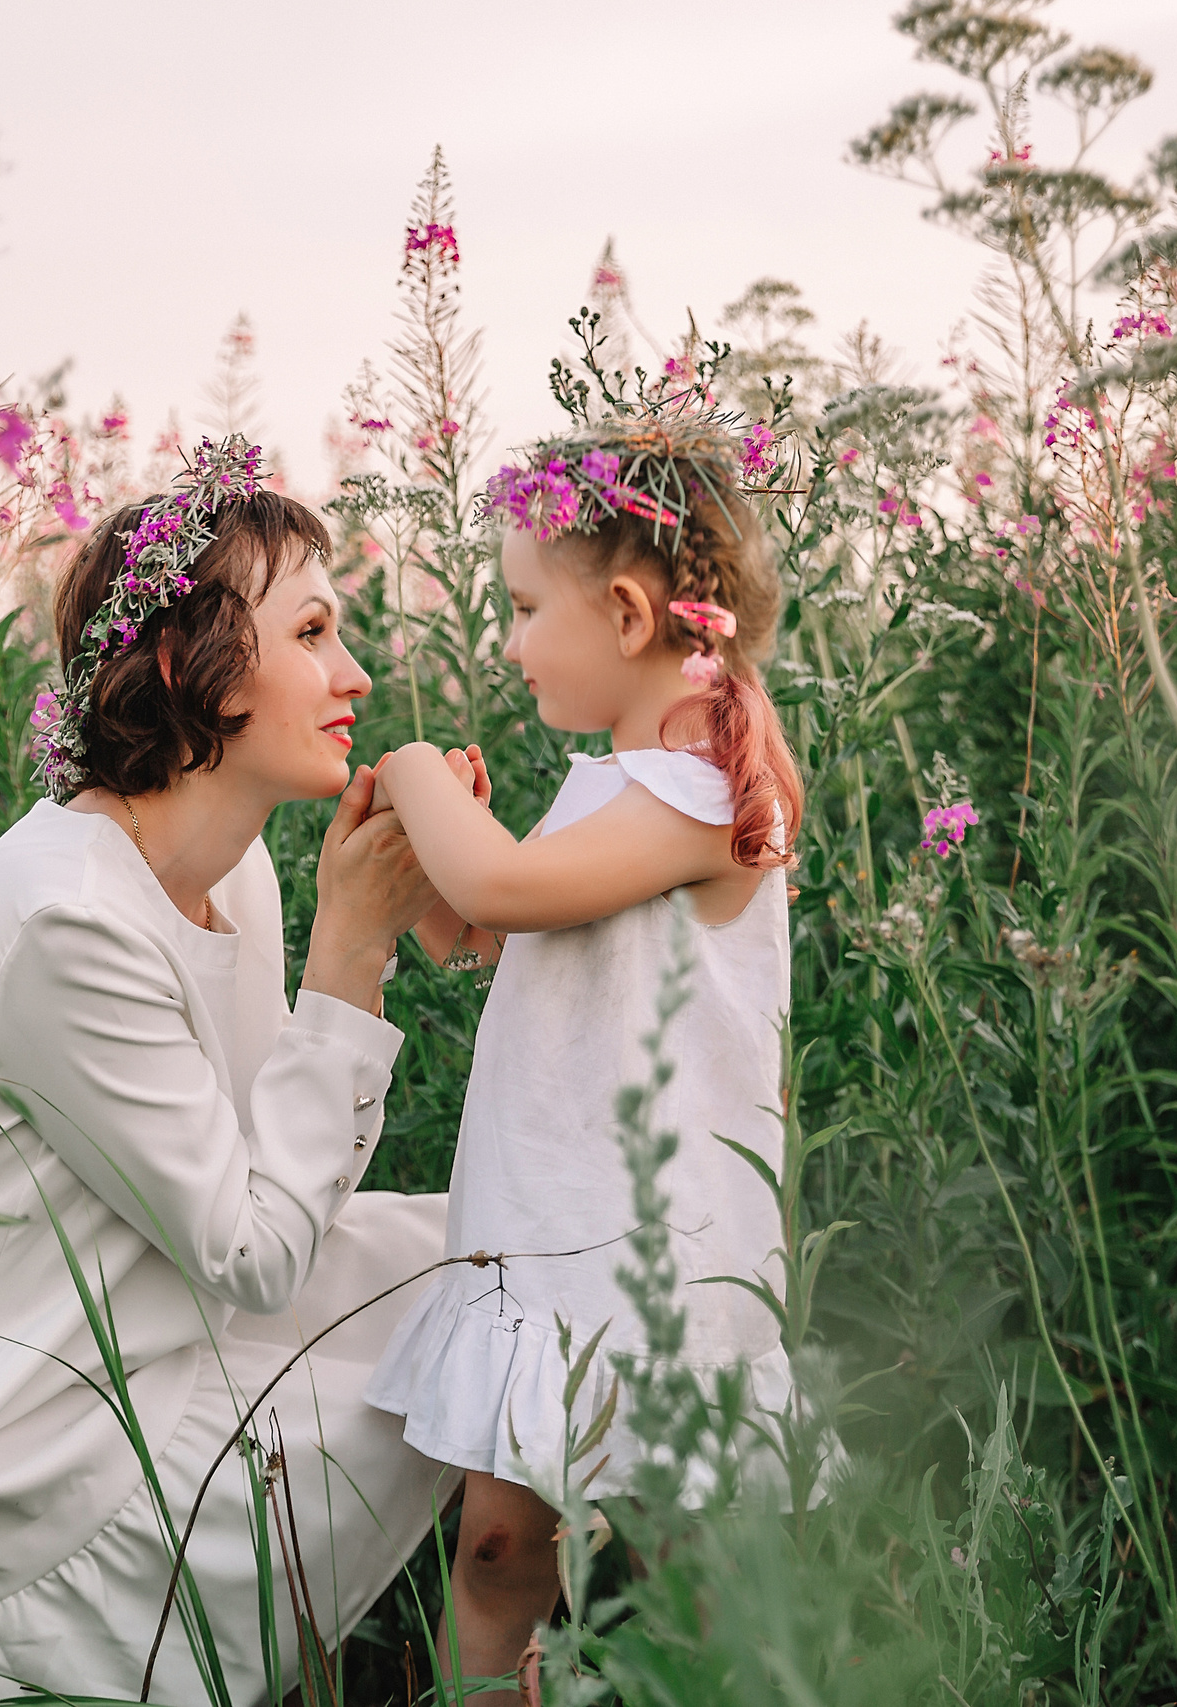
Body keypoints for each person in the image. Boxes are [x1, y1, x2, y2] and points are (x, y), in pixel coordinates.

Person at [0, 438, 450, 1707]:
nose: (353, 673)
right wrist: (352, 952)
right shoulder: (68, 914)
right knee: (462, 1347)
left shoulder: (233, 872)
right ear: (190, 666)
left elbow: (269, 1204)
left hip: (146, 1322)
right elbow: (253, 1251)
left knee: (508, 1263)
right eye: (311, 630)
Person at [361, 414, 805, 1702]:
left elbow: (503, 880)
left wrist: (409, 773)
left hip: (657, 1253)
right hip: (547, 1224)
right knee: (500, 1544)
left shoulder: (704, 794)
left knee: (675, 1558)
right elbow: (493, 925)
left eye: (517, 606)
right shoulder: (614, 782)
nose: (505, 639)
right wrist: (447, 863)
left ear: (623, 614)